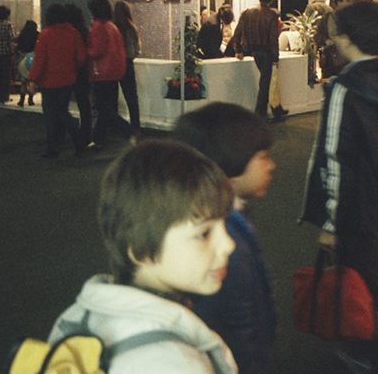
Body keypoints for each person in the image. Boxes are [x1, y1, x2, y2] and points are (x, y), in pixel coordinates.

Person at [300, 0, 378, 374]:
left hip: (353, 204)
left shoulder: (344, 87)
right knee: (363, 271)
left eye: (337, 32)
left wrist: (329, 221)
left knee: (363, 278)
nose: (334, 39)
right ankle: (364, 343)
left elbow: (336, 156)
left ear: (348, 37)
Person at [46, 140, 237, 374]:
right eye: (203, 233)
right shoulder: (175, 364)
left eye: (224, 224)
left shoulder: (73, 319)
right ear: (141, 250)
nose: (229, 244)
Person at [172, 103, 277, 374]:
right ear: (231, 163)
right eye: (263, 157)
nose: (271, 165)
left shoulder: (230, 214)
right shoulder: (226, 244)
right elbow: (236, 331)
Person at [27, 4, 87, 158]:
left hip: (49, 82)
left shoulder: (45, 35)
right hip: (68, 79)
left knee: (50, 115)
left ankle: (53, 147)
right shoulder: (73, 33)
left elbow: (39, 60)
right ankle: (78, 141)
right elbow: (81, 57)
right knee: (63, 111)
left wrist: (32, 79)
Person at [87, 0, 134, 149]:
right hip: (114, 72)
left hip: (102, 73)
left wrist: (84, 51)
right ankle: (98, 140)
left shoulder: (98, 26)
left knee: (104, 110)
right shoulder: (112, 26)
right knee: (106, 109)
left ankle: (130, 131)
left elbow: (97, 51)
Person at [232, 0, 280, 119]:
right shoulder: (272, 15)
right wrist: (275, 57)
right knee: (266, 82)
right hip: (266, 52)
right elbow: (273, 38)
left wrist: (238, 50)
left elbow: (237, 32)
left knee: (266, 81)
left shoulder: (247, 12)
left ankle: (277, 109)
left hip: (252, 50)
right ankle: (261, 113)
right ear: (271, 0)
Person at [65, 4, 93, 146]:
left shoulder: (68, 32)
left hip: (69, 70)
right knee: (84, 105)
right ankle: (86, 133)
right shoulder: (84, 31)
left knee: (62, 105)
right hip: (83, 71)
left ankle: (68, 134)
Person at [114, 0, 142, 130]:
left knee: (112, 98)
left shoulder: (113, 28)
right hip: (128, 64)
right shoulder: (131, 27)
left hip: (114, 65)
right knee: (131, 98)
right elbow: (136, 50)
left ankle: (116, 126)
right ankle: (136, 127)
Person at [0, 5, 16, 104]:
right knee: (5, 76)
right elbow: (11, 38)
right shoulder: (7, 25)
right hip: (6, 53)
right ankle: (4, 96)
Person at [14, 20, 39, 107]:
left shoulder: (22, 35)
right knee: (32, 80)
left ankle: (21, 100)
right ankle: (30, 100)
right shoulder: (37, 34)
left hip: (23, 58)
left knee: (23, 81)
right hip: (33, 57)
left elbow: (17, 47)